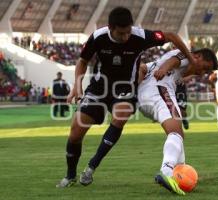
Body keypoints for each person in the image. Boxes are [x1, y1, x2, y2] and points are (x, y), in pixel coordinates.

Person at [56, 6, 196, 188]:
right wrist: (77, 85)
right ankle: (70, 175)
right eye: (121, 33)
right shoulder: (98, 37)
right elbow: (82, 61)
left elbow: (170, 36)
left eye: (128, 31)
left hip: (126, 87)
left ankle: (92, 166)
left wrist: (190, 59)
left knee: (120, 115)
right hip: (99, 88)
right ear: (110, 27)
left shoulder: (140, 36)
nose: (125, 37)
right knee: (76, 131)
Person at [138, 48, 218, 195]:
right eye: (205, 67)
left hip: (149, 95)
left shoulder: (176, 67)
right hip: (159, 90)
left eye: (206, 71)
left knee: (178, 133)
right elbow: (175, 59)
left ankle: (179, 173)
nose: (202, 73)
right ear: (197, 56)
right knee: (176, 132)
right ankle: (167, 171)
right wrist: (164, 69)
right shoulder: (187, 54)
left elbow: (144, 68)